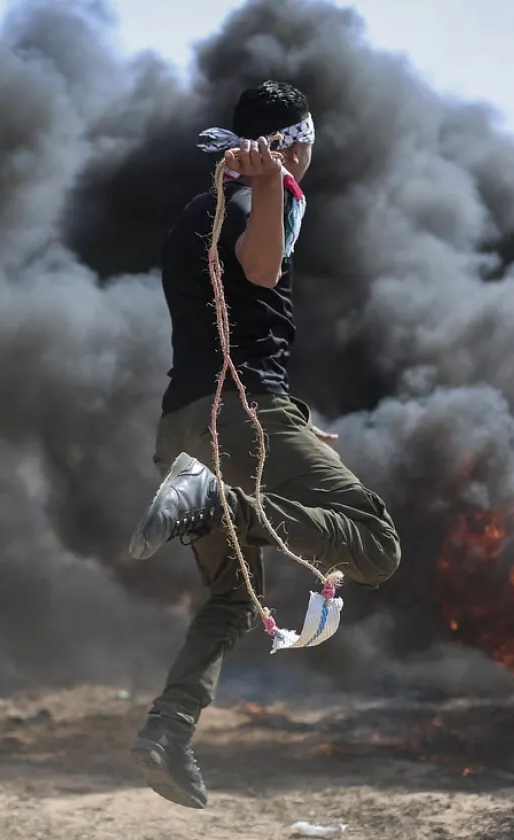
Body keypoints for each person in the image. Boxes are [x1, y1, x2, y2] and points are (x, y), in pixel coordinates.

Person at [126, 81, 402, 809]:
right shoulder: (259, 198)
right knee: (376, 544)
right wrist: (275, 184)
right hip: (238, 420)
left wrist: (292, 421)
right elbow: (260, 268)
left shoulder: (198, 212)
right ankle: (215, 501)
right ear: (298, 143)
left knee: (232, 598)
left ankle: (167, 731)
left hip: (188, 424)